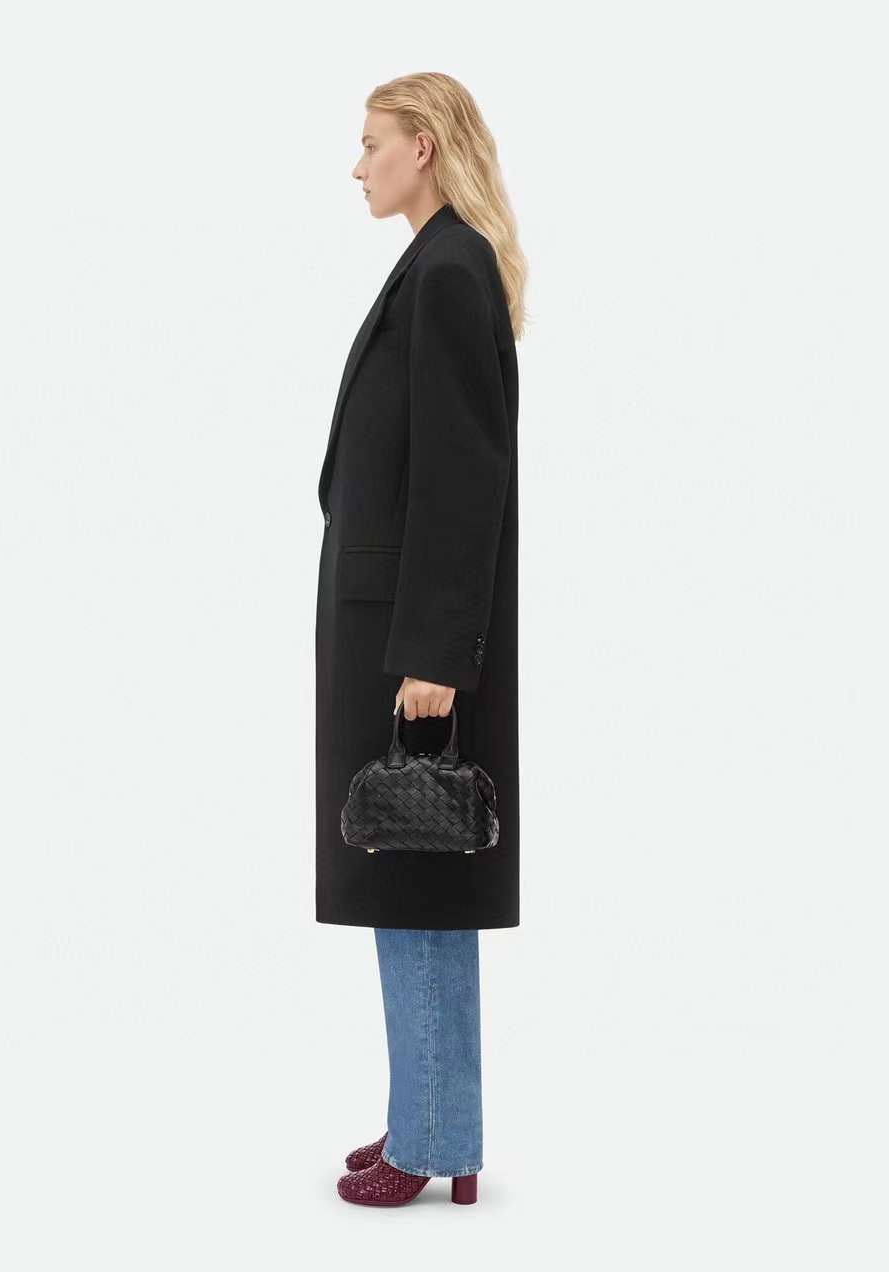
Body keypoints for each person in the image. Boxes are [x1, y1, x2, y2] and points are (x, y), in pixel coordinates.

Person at [314, 72, 527, 1207]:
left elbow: (462, 479)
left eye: (372, 143)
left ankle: (434, 1134)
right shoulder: (438, 264)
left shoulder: (448, 270)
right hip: (396, 630)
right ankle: (431, 1118)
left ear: (425, 148)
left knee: (420, 878)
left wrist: (437, 654)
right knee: (406, 872)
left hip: (416, 644)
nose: (358, 165)